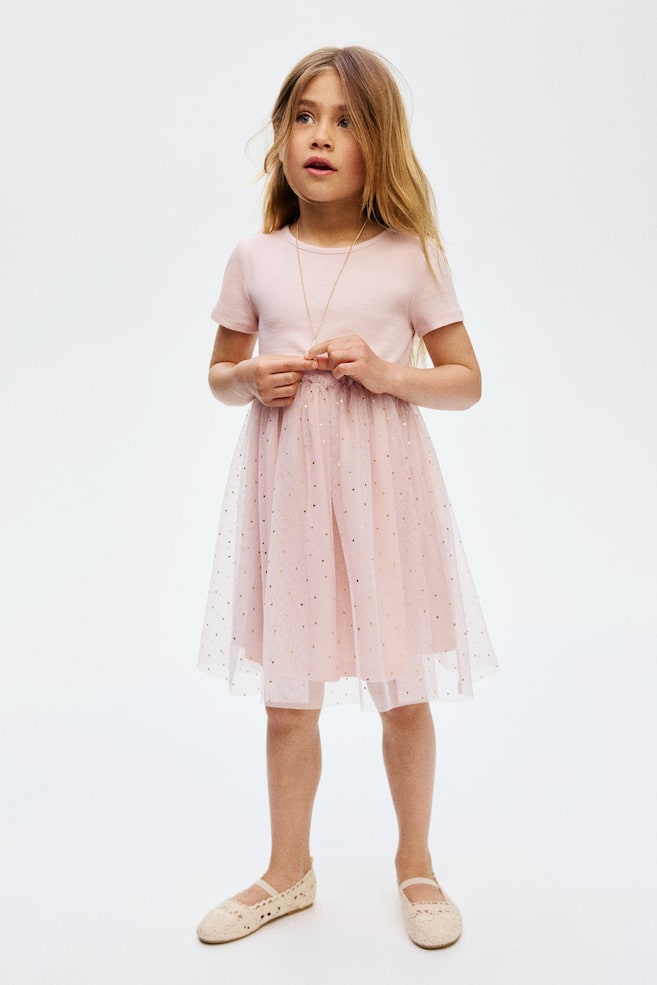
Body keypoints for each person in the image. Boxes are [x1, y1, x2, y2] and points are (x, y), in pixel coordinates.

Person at [196, 45, 498, 950]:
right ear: (282, 137)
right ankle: (288, 869)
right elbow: (217, 374)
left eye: (343, 121)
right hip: (289, 494)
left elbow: (466, 381)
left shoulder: (410, 258)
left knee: (402, 690)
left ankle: (417, 862)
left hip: (383, 499)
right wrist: (250, 378)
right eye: (304, 117)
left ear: (379, 145)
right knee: (288, 700)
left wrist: (389, 372)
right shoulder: (255, 255)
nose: (319, 137)